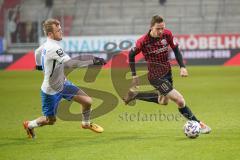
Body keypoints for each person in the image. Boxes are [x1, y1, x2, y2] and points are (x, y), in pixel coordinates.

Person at [123, 15, 211, 134]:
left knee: (163, 101)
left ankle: (135, 95)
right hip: (155, 77)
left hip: (167, 73)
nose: (160, 31)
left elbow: (176, 49)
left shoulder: (167, 34)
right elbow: (131, 55)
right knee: (179, 100)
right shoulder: (143, 41)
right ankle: (198, 124)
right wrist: (134, 75)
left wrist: (182, 67)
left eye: (162, 28)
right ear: (151, 28)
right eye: (158, 29)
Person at [23, 19, 106, 139]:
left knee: (87, 101)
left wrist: (39, 67)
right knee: (50, 120)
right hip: (50, 90)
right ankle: (29, 125)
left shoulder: (47, 45)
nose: (61, 32)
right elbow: (71, 63)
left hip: (63, 84)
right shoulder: (53, 48)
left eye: (60, 29)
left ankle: (86, 124)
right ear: (50, 34)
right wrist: (93, 61)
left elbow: (37, 51)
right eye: (58, 31)